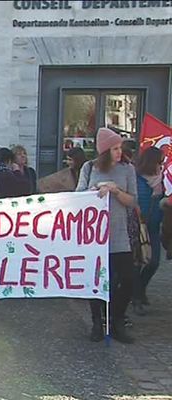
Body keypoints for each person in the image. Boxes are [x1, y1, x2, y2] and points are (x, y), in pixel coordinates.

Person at [76, 127, 137, 344]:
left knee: (128, 280)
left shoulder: (127, 169)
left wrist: (116, 190)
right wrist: (96, 188)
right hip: (96, 236)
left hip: (120, 234)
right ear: (104, 150)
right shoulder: (89, 167)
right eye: (115, 148)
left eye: (120, 147)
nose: (120, 152)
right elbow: (79, 196)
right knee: (99, 281)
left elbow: (132, 201)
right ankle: (97, 322)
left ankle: (117, 319)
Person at [133, 147, 164, 314]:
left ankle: (140, 289)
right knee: (137, 263)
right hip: (138, 225)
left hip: (153, 226)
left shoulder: (163, 180)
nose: (162, 165)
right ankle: (136, 298)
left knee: (154, 262)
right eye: (160, 162)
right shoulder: (137, 178)